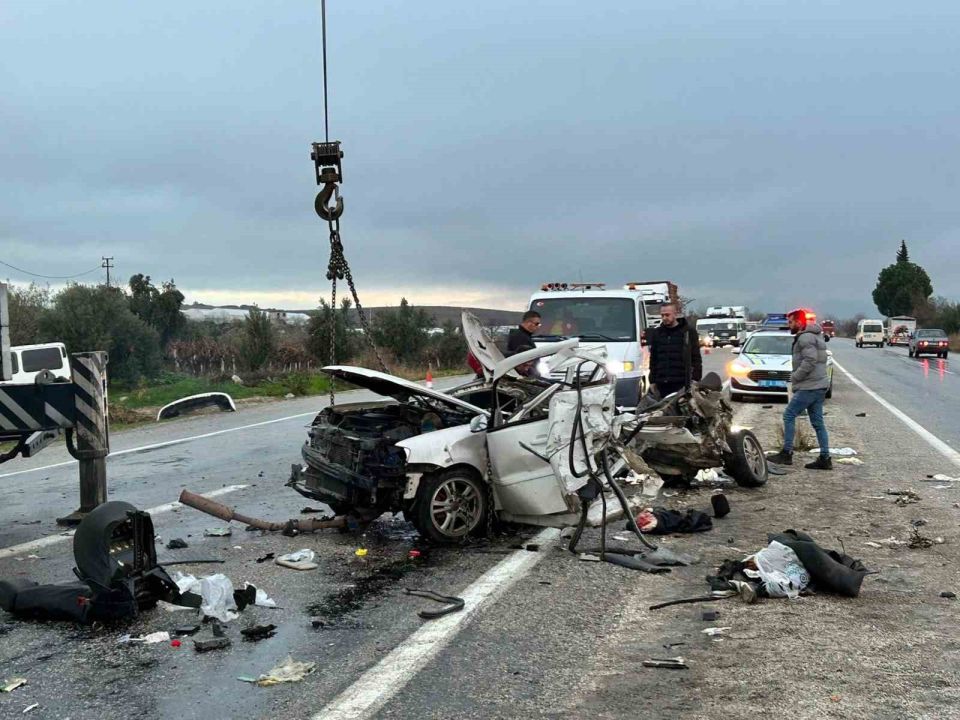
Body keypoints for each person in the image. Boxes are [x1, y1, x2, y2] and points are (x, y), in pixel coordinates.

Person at [766, 309, 832, 470]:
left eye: (791, 322)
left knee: (789, 415)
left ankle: (786, 453)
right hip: (819, 384)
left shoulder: (805, 338)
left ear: (799, 322)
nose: (789, 325)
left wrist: (795, 376)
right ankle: (825, 457)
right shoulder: (815, 335)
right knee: (818, 422)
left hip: (809, 386)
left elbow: (810, 360)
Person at [645, 303, 702, 398]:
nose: (664, 318)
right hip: (662, 384)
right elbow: (653, 359)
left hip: (682, 383)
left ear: (675, 314)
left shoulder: (688, 332)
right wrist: (652, 381)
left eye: (667, 315)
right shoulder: (657, 333)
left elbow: (696, 357)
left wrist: (695, 379)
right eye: (662, 315)